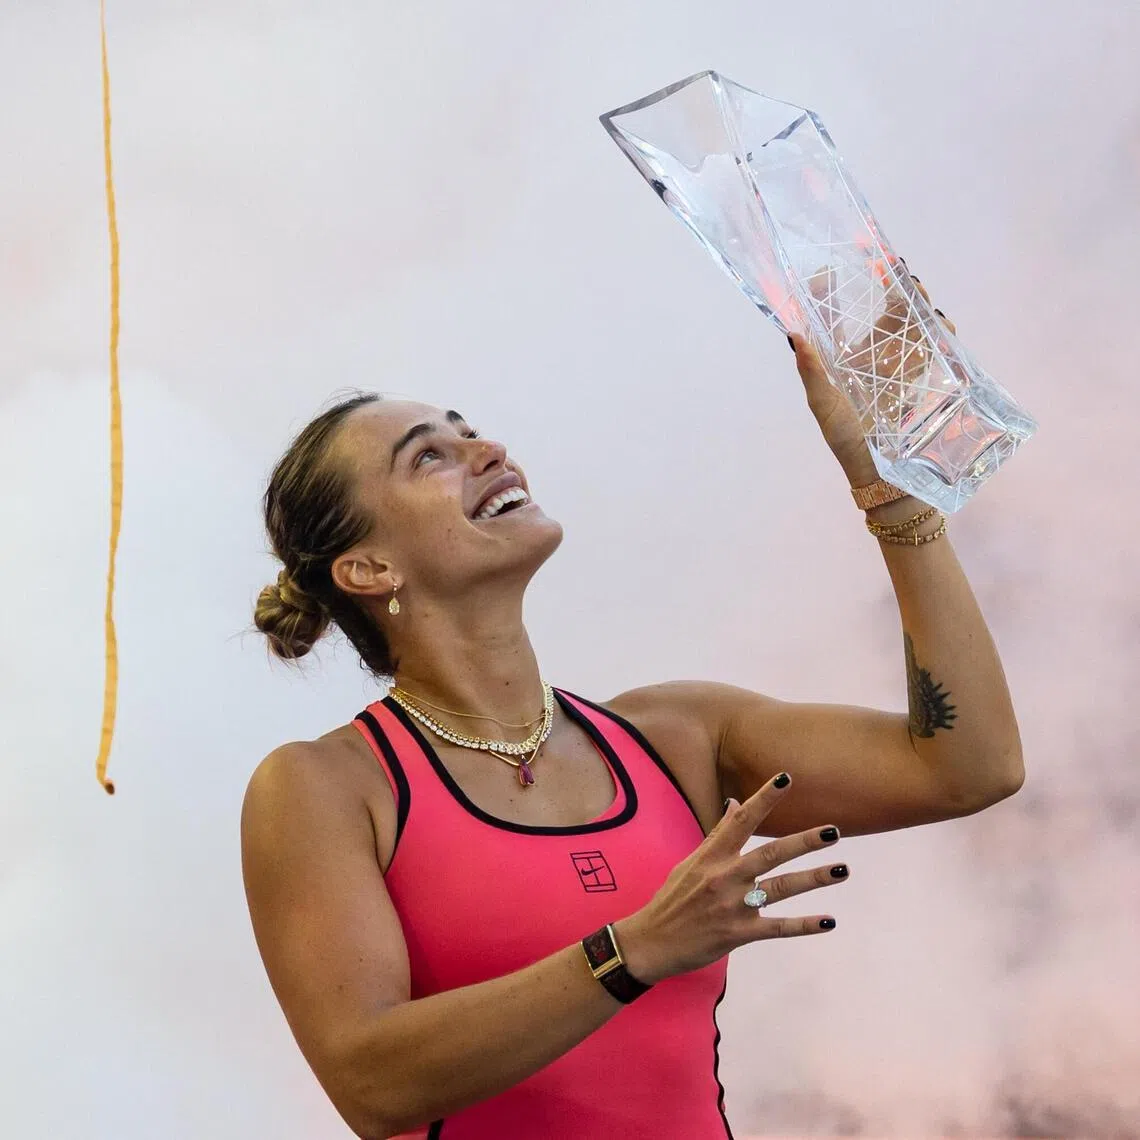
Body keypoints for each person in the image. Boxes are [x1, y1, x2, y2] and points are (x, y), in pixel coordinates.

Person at [242, 313, 1024, 1140]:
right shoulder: (323, 788)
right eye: (428, 456)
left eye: (470, 431)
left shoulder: (677, 736)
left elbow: (967, 766)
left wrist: (892, 489)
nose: (488, 451)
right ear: (368, 569)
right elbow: (372, 1085)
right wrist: (632, 950)